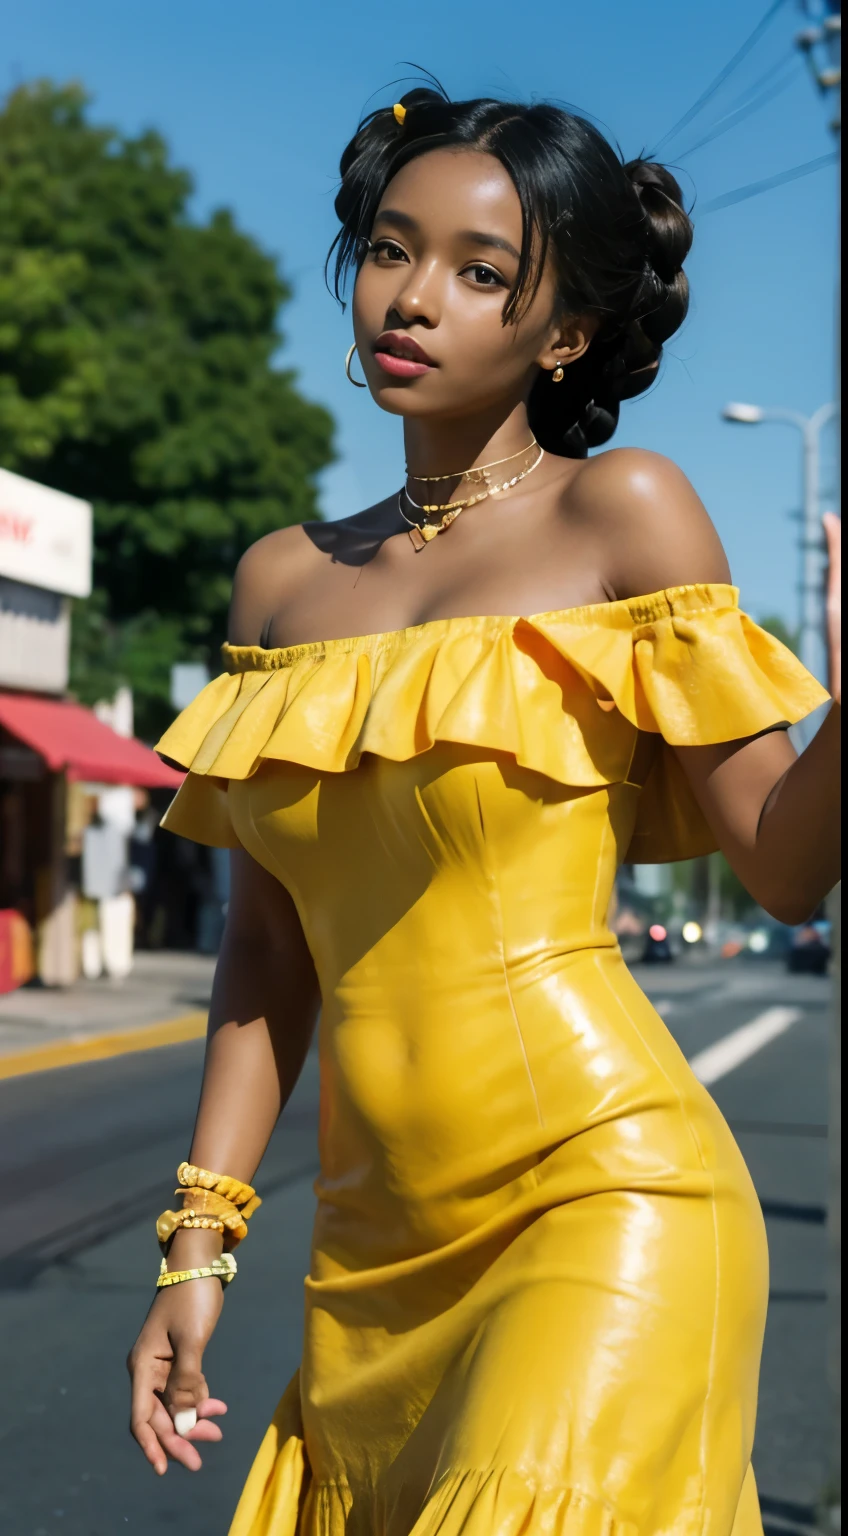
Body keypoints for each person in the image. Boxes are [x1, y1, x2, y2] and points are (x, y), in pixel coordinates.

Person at [128, 87, 841, 1535]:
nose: (412, 298)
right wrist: (196, 1250)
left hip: (604, 1198)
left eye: (478, 271)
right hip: (368, 1265)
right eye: (391, 250)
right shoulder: (279, 582)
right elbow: (269, 958)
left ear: (560, 329)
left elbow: (781, 863)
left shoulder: (621, 512)